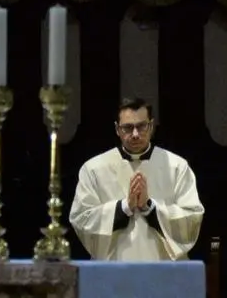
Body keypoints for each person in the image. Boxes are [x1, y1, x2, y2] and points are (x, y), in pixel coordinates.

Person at [69, 97, 205, 261]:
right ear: (117, 129)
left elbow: (192, 217)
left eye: (141, 126)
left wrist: (150, 207)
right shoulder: (93, 169)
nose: (135, 134)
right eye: (127, 128)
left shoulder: (177, 166)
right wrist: (123, 207)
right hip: (113, 271)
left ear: (151, 126)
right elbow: (81, 218)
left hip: (164, 270)